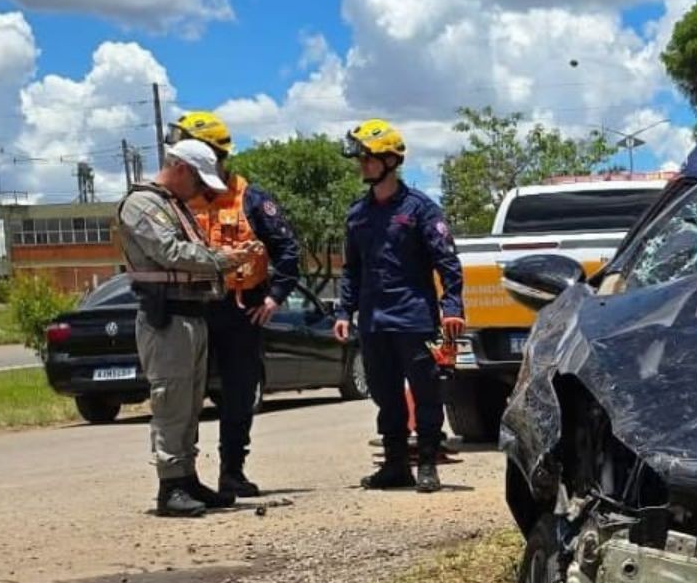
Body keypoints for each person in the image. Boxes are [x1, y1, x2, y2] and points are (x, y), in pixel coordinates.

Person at [164, 110, 302, 499]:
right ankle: (183, 477)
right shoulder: (174, 201)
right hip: (194, 309)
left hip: (242, 309)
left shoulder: (251, 198)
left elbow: (288, 250)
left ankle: (232, 472)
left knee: (239, 393)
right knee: (187, 393)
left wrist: (275, 298)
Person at [115, 140, 255, 517]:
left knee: (189, 403)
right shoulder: (143, 204)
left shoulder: (173, 205)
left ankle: (186, 477)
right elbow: (170, 253)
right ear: (180, 169)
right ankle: (170, 485)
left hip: (191, 314)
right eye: (199, 180)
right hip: (167, 318)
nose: (202, 190)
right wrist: (223, 260)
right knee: (171, 401)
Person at [332, 118, 465, 494]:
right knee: (384, 393)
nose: (362, 165)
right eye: (360, 159)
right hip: (373, 322)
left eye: (367, 158)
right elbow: (351, 270)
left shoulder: (422, 210)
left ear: (390, 160)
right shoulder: (357, 214)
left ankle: (426, 463)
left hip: (414, 318)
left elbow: (448, 263)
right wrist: (344, 312)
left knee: (425, 392)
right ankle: (394, 465)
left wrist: (453, 306)